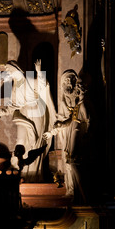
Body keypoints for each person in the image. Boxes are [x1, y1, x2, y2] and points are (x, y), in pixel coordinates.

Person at [4, 59, 56, 180]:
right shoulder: (16, 86)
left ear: (16, 69)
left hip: (36, 112)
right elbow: (13, 105)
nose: (9, 73)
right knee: (20, 140)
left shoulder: (29, 80)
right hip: (23, 113)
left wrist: (39, 72)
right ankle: (19, 166)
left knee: (34, 141)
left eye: (9, 70)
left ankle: (33, 173)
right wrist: (1, 112)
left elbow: (43, 85)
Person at [43, 69, 89, 201]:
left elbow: (79, 119)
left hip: (76, 132)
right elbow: (64, 119)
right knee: (67, 160)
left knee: (73, 161)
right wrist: (53, 131)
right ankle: (71, 189)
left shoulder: (80, 102)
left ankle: (79, 192)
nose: (69, 83)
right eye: (66, 81)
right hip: (65, 134)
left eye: (71, 80)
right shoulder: (64, 101)